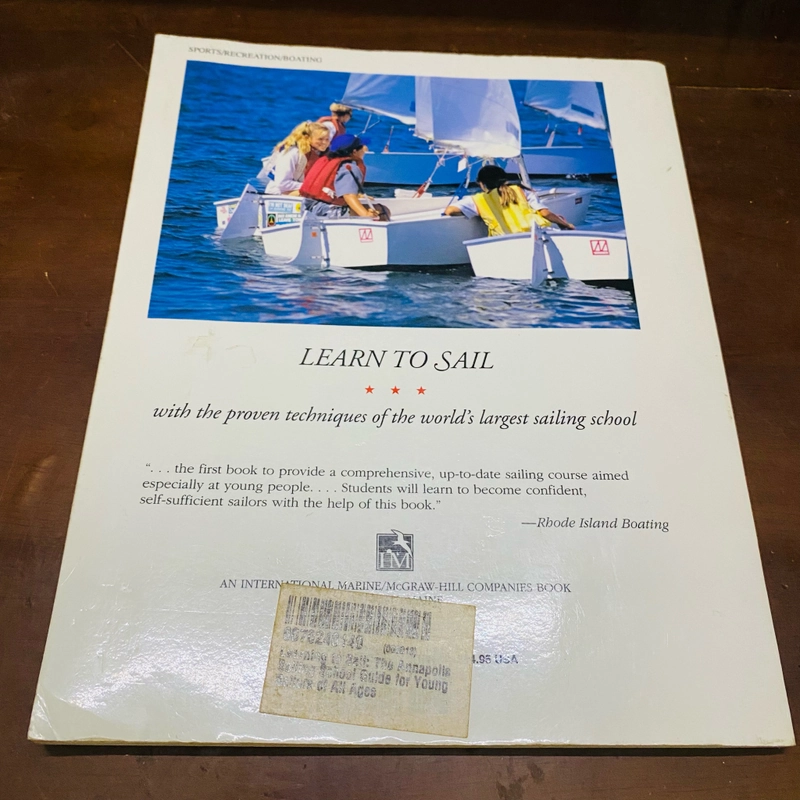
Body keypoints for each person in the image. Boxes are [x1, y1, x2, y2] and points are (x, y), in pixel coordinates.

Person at [444, 164, 575, 235]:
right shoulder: (521, 190)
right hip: (537, 232)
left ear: (481, 184)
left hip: (506, 239)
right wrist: (565, 224)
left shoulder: (478, 200)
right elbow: (545, 213)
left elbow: (450, 211)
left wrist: (477, 214)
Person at [299, 133, 389, 220]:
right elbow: (348, 195)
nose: (365, 150)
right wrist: (365, 214)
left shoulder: (326, 160)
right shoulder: (349, 167)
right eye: (362, 148)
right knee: (383, 210)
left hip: (306, 209)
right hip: (325, 211)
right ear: (354, 152)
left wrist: (357, 196)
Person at [263, 122, 330, 196]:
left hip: (298, 192)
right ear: (307, 138)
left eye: (327, 139)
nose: (325, 142)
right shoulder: (291, 153)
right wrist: (311, 187)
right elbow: (282, 183)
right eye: (320, 139)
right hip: (276, 194)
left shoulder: (318, 154)